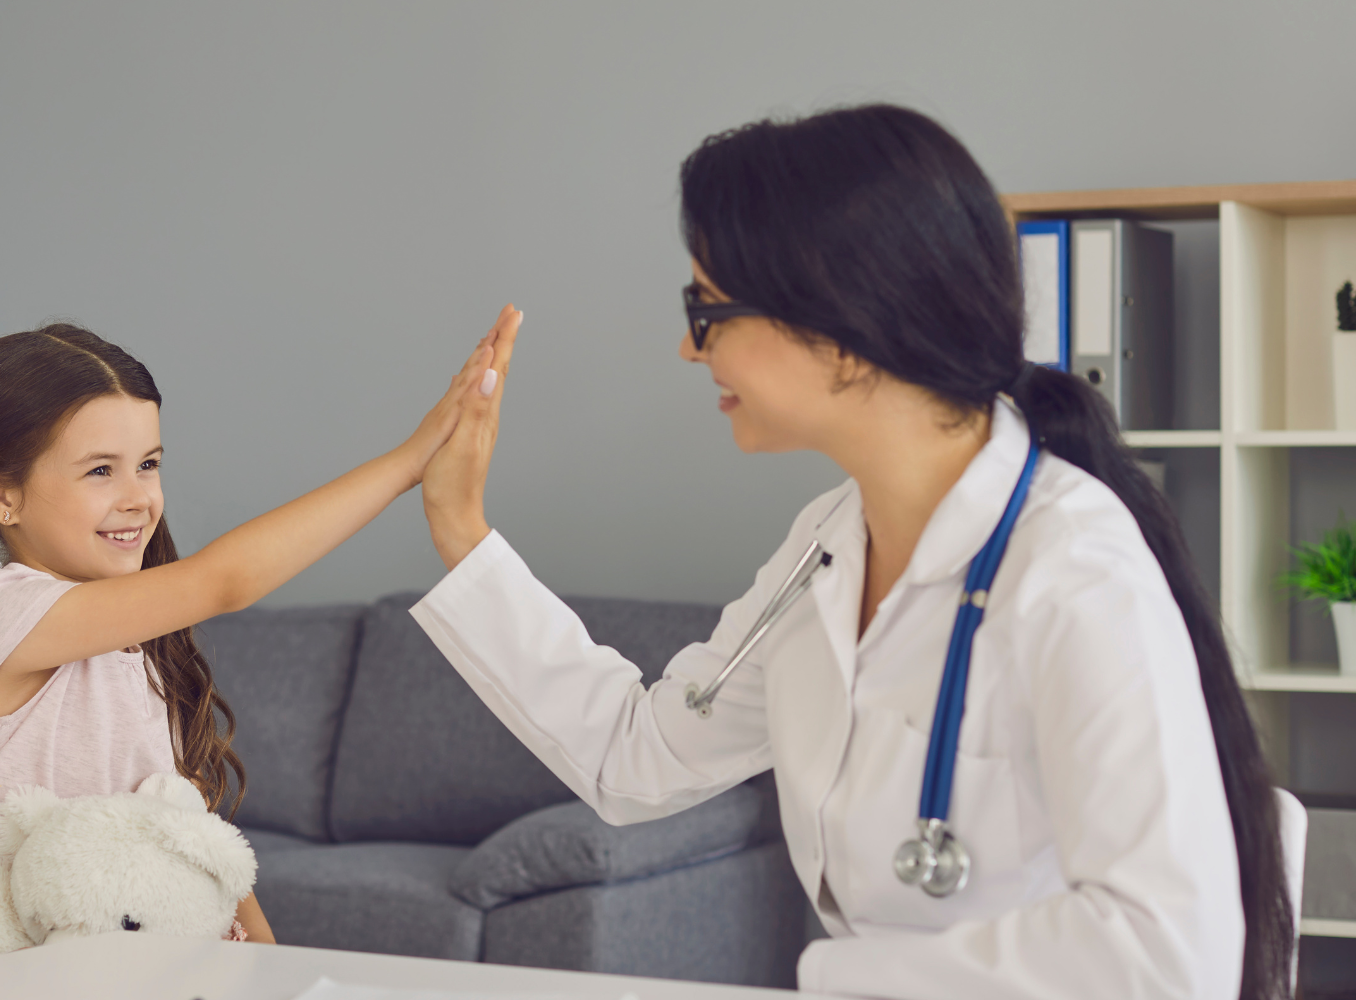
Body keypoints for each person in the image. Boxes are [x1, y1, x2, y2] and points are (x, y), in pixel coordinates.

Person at [412, 105, 1293, 1000]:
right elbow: (636, 756)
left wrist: (841, 977)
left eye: (706, 310)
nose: (687, 347)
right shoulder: (827, 545)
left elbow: (1169, 956)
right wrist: (459, 525)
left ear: (840, 329)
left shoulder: (1072, 568)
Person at [0, 317, 514, 959]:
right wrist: (408, 463)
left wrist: (269, 962)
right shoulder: (6, 613)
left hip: (123, 961)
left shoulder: (135, 647)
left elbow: (187, 821)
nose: (138, 497)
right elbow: (225, 581)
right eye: (100, 471)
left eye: (147, 465)